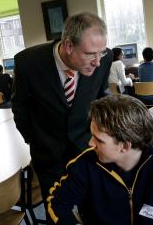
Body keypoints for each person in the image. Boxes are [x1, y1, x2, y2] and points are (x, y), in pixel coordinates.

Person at [47, 94, 153, 224]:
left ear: (125, 146)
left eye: (99, 139)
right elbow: (57, 202)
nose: (90, 143)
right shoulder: (84, 165)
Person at [12, 12, 112, 220]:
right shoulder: (28, 62)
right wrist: (34, 139)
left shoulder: (105, 57)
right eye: (90, 54)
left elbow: (103, 99)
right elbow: (19, 107)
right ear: (68, 46)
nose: (97, 62)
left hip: (88, 147)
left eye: (100, 53)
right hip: (48, 154)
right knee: (57, 213)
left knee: (94, 208)